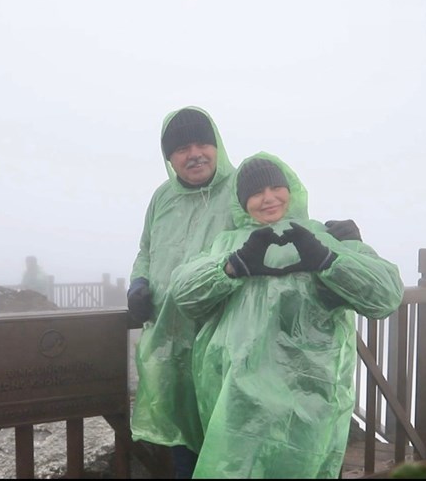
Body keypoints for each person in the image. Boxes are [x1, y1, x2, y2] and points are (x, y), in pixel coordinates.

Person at [169, 152, 405, 478]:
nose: (268, 198)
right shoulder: (227, 245)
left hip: (309, 401)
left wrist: (331, 260)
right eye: (255, 192)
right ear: (241, 202)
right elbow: (184, 295)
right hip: (240, 401)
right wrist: (232, 267)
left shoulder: (322, 238)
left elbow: (385, 294)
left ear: (291, 189)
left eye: (275, 187)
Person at [126, 106, 237, 478]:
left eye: (203, 143)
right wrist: (138, 283)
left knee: (225, 441)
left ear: (217, 145)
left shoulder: (240, 190)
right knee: (182, 442)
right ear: (169, 158)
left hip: (224, 341)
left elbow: (280, 224)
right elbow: (146, 249)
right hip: (171, 344)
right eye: (182, 148)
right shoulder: (163, 198)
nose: (195, 154)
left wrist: (331, 240)